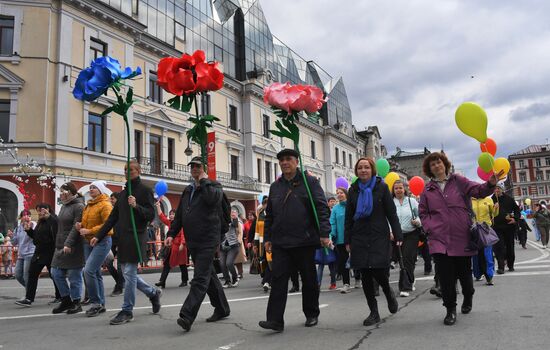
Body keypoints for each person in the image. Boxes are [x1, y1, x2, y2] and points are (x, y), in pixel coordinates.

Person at [419, 152, 499, 326]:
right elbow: (423, 213)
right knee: (446, 278)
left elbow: (478, 190)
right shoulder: (427, 190)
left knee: (464, 275)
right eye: (432, 164)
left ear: (445, 164)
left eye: (438, 162)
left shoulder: (458, 181)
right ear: (429, 169)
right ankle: (450, 310)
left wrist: (490, 184)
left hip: (461, 236)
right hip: (439, 239)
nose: (436, 166)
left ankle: (468, 296)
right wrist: (430, 228)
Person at [259, 149, 331, 332]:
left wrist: (324, 233)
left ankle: (311, 313)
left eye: (288, 159)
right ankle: (275, 320)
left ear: (296, 161)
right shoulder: (275, 186)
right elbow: (270, 215)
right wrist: (268, 237)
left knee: (308, 279)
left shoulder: (310, 182)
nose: (284, 162)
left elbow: (322, 208)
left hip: (305, 241)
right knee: (278, 280)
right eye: (281, 160)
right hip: (281, 242)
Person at [165, 156, 230, 332]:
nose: (194, 168)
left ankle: (187, 315)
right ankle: (223, 308)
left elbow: (212, 200)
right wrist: (171, 233)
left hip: (208, 239)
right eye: (192, 166)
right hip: (193, 240)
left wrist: (204, 181)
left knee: (200, 278)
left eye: (198, 166)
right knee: (208, 275)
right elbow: (180, 216)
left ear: (204, 168)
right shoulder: (188, 190)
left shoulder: (213, 186)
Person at [95, 160, 161, 325]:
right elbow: (113, 218)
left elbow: (150, 215)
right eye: (125, 169)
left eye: (131, 169)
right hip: (123, 238)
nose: (127, 172)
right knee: (128, 274)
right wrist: (99, 235)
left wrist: (136, 206)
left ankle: (127, 310)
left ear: (138, 171)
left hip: (137, 236)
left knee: (129, 272)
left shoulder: (145, 190)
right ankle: (153, 293)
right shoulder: (123, 194)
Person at [345, 157, 402, 327]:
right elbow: (348, 217)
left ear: (372, 170)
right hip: (359, 236)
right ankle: (374, 312)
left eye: (366, 167)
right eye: (360, 168)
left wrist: (398, 233)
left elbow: (391, 213)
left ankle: (388, 291)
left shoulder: (381, 187)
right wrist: (347, 239)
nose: (363, 170)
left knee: (379, 271)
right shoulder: (353, 190)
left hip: (379, 235)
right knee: (365, 275)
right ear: (356, 171)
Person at [75, 181, 113, 317]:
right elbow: (86, 223)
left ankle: (95, 303)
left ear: (101, 190)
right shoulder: (88, 205)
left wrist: (89, 230)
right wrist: (80, 226)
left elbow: (108, 226)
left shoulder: (106, 205)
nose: (91, 189)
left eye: (94, 188)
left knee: (88, 271)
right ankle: (101, 304)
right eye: (90, 187)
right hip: (88, 242)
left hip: (102, 241)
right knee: (95, 273)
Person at [50, 182, 86, 314]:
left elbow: (75, 228)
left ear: (71, 192)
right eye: (61, 192)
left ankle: (76, 302)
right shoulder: (64, 206)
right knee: (55, 273)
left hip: (73, 246)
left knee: (74, 276)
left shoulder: (79, 206)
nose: (62, 195)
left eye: (64, 192)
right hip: (60, 245)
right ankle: (66, 300)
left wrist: (68, 244)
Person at [15, 203, 61, 307]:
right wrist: (29, 231)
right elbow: (35, 237)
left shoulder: (53, 219)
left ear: (47, 210)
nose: (39, 213)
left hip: (50, 252)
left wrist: (49, 217)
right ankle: (29, 298)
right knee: (32, 274)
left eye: (41, 210)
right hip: (39, 252)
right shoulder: (41, 222)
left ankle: (60, 296)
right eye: (38, 211)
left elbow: (56, 227)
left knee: (54, 275)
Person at [392, 180, 422, 297]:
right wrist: (390, 231)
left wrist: (418, 221)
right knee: (402, 260)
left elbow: (420, 215)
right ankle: (410, 279)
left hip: (411, 234)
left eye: (400, 188)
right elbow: (387, 218)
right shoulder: (390, 202)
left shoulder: (412, 201)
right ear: (393, 190)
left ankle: (405, 287)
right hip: (397, 235)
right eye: (396, 188)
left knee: (407, 258)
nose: (398, 190)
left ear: (404, 189)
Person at [155, 205, 188, 288]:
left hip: (180, 247)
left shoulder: (181, 223)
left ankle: (184, 281)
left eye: (173, 214)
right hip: (172, 247)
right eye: (170, 214)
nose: (171, 216)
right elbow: (162, 217)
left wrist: (182, 244)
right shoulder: (170, 223)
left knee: (182, 264)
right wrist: (158, 206)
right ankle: (162, 281)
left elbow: (183, 234)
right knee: (167, 264)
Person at [492, 183, 521, 273]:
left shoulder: (509, 199)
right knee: (499, 247)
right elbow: (488, 212)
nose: (497, 190)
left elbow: (517, 210)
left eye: (498, 188)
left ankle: (510, 265)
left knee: (510, 247)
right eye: (495, 189)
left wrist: (515, 219)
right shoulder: (491, 200)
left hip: (509, 227)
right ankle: (501, 267)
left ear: (502, 189)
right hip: (497, 227)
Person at [471, 196, 497, 286]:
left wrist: (496, 209)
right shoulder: (469, 200)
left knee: (487, 253)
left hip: (486, 229)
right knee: (475, 253)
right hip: (473, 229)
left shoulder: (488, 199)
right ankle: (477, 274)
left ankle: (489, 276)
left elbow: (494, 214)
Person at [331, 188, 352, 293]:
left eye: (341, 193)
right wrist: (332, 234)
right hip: (340, 239)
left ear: (346, 194)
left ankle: (358, 278)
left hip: (353, 238)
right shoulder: (335, 208)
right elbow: (332, 223)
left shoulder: (351, 205)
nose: (339, 195)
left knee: (357, 260)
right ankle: (346, 283)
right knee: (343, 262)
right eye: (337, 193)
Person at [11, 209, 35, 288]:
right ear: (21, 218)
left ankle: (28, 295)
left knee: (26, 275)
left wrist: (29, 228)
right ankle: (31, 290)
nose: (27, 217)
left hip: (30, 253)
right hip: (21, 254)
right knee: (17, 275)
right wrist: (11, 236)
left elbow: (36, 236)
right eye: (24, 215)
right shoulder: (18, 228)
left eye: (29, 215)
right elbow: (14, 242)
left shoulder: (33, 224)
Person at [220, 210, 243, 288]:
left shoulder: (232, 221)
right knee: (222, 264)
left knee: (229, 263)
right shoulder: (219, 222)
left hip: (233, 246)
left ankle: (235, 278)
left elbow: (236, 224)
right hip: (223, 246)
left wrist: (235, 217)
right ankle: (227, 281)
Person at [107, 192, 124, 296]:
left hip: (121, 242)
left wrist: (119, 242)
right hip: (111, 241)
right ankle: (120, 282)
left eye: (112, 199)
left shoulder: (123, 212)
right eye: (110, 199)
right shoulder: (111, 211)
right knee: (108, 263)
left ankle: (119, 287)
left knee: (119, 266)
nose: (111, 200)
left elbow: (122, 228)